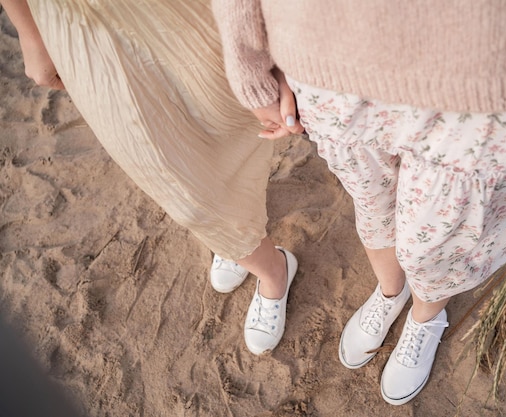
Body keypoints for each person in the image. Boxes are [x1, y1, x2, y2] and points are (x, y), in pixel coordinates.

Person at [213, 0, 506, 405]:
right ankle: (391, 293)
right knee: (373, 203)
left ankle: (425, 316)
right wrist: (249, 65)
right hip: (330, 58)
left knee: (443, 236)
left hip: (491, 72)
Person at [0, 0, 305, 356]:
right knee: (171, 172)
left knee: (226, 107)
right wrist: (28, 30)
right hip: (74, 20)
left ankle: (239, 227)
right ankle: (271, 269)